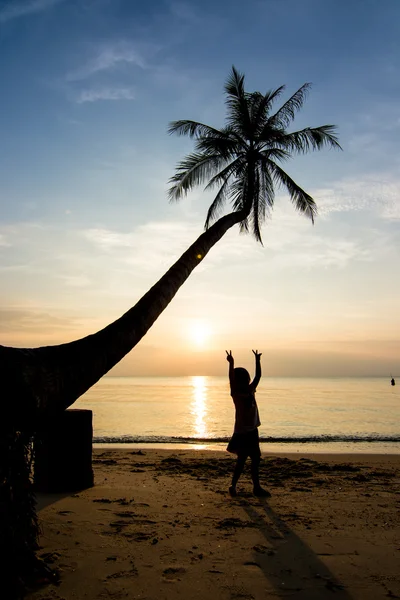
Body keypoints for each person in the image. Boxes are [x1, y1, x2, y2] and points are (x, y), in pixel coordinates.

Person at [226, 349, 270, 498]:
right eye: (244, 378)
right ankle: (235, 486)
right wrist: (231, 364)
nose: (247, 379)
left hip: (252, 431)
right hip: (243, 433)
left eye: (247, 377)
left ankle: (255, 487)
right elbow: (231, 378)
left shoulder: (251, 390)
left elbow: (258, 376)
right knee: (243, 459)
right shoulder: (236, 394)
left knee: (255, 458)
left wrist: (257, 360)